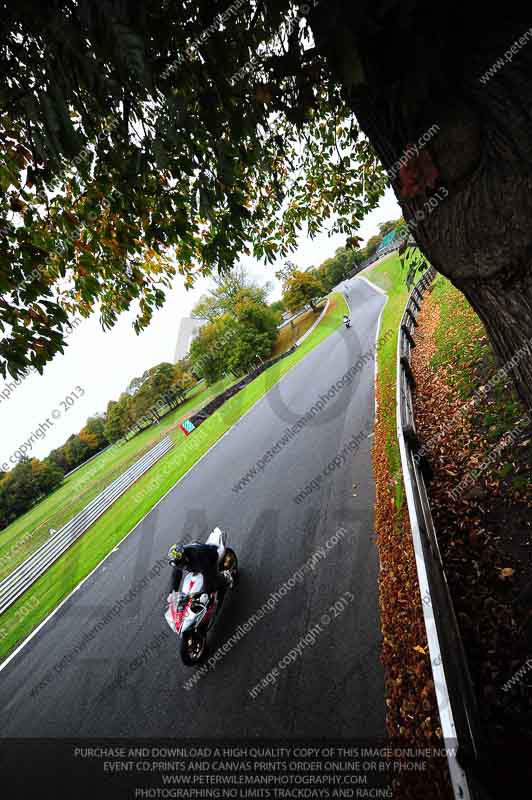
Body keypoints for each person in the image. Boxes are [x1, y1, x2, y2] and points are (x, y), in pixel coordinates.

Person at [168, 540, 233, 594]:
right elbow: (175, 576)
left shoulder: (196, 556)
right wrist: (172, 592)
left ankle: (226, 578)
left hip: (210, 557)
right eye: (177, 564)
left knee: (213, 583)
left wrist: (205, 592)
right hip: (198, 561)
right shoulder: (178, 561)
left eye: (179, 563)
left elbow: (207, 573)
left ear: (183, 557)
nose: (179, 566)